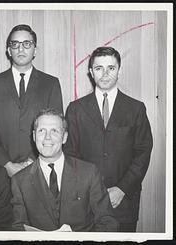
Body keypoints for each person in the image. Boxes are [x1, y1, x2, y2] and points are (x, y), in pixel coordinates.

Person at [64, 46, 153, 232]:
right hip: (86, 203)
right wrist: (89, 191)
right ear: (91, 72)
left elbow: (143, 154)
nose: (105, 74)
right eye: (99, 68)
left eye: (111, 68)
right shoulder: (75, 109)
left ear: (119, 71)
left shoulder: (136, 108)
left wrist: (122, 189)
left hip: (124, 202)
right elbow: (70, 154)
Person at [11, 108, 118, 231]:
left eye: (54, 131)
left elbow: (108, 222)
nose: (47, 138)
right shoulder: (19, 181)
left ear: (64, 137)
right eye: (41, 131)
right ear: (34, 136)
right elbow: (18, 229)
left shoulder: (88, 173)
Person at [0, 24, 63, 177]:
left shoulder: (50, 84)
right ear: (8, 50)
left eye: (27, 44)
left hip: (38, 168)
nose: (21, 49)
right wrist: (8, 165)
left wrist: (33, 160)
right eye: (15, 44)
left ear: (35, 50)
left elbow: (56, 129)